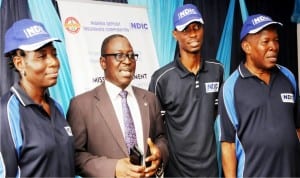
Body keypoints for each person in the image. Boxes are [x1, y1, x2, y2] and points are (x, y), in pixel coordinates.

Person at [66, 34, 168, 177]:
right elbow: (74, 155)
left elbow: (161, 137)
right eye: (119, 55)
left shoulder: (150, 99)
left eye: (131, 55)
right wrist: (113, 168)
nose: (127, 61)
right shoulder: (81, 105)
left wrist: (160, 153)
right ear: (103, 62)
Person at [218, 14, 300, 177]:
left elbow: (297, 127)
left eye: (276, 40)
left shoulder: (288, 77)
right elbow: (228, 145)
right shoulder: (231, 87)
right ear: (247, 47)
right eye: (266, 41)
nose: (274, 46)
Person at [148, 4, 224, 177]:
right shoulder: (161, 78)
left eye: (196, 27)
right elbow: (155, 130)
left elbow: (213, 112)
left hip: (210, 170)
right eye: (186, 30)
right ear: (175, 34)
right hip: (176, 172)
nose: (193, 34)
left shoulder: (216, 70)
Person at [0, 19, 75, 177]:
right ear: (19, 63)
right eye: (42, 56)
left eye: (54, 54)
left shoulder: (56, 107)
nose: (54, 62)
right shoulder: (7, 112)